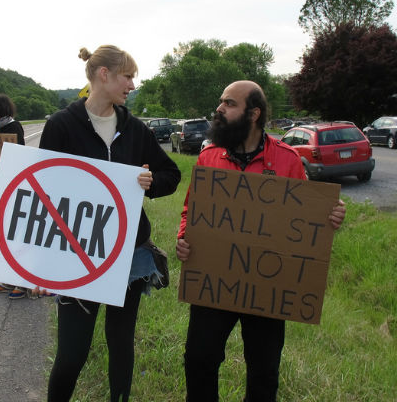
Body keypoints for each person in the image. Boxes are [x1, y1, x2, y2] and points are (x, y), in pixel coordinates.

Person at [175, 80, 346, 402]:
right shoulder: (210, 157)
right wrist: (185, 236)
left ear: (253, 113)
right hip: (215, 279)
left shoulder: (288, 160)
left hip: (267, 285)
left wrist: (329, 218)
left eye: (229, 103)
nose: (219, 109)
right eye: (221, 102)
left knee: (264, 370)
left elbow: (306, 218)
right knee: (200, 359)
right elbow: (191, 209)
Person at [39, 45, 181, 402]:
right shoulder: (61, 125)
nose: (132, 83)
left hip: (128, 254)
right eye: (127, 76)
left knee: (121, 344)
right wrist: (38, 267)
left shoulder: (135, 129)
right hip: (77, 256)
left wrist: (151, 183)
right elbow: (42, 191)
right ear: (104, 74)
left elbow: (171, 173)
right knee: (72, 353)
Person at [0, 93, 30, 299]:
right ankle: (8, 280)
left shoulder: (13, 127)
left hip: (15, 188)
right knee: (3, 236)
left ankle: (23, 282)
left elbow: (11, 160)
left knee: (17, 236)